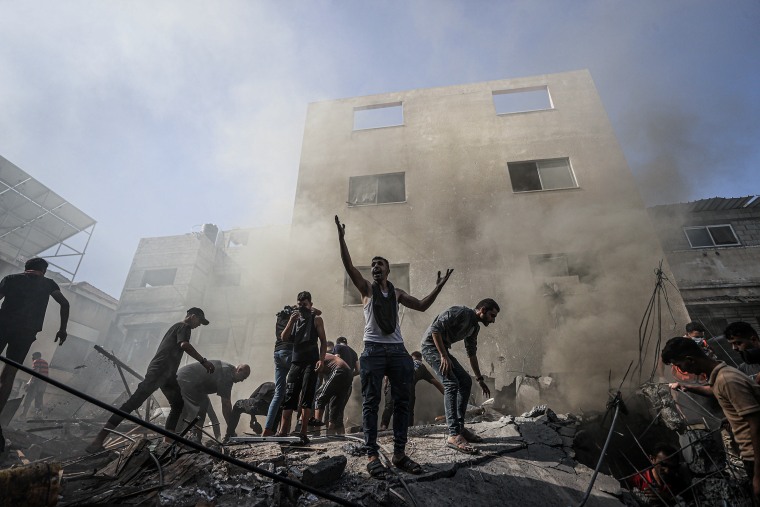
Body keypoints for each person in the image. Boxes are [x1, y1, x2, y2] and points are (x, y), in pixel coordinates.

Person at [335, 215, 453, 478]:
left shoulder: (397, 293)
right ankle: (372, 454)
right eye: (373, 265)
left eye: (380, 264)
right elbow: (349, 265)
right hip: (374, 351)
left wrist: (438, 287)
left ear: (388, 270)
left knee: (403, 401)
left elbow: (422, 305)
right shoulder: (365, 288)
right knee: (371, 402)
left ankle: (399, 453)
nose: (375, 267)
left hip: (398, 351)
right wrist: (342, 239)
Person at [86, 308, 214, 453]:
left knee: (177, 404)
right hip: (159, 371)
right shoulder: (184, 327)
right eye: (199, 321)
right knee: (133, 403)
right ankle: (98, 440)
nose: (198, 325)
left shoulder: (177, 327)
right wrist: (203, 361)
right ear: (192, 316)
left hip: (167, 375)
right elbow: (184, 345)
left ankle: (168, 441)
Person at [662, 337, 760, 503]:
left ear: (690, 360)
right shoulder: (720, 376)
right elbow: (717, 391)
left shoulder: (727, 380)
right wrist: (689, 387)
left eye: (679, 365)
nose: (680, 369)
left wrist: (758, 474)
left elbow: (757, 424)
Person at [0, 257, 69, 452]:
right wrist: (62, 329)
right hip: (25, 332)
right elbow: (64, 304)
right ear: (44, 271)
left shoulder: (11, 279)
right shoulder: (48, 284)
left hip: (2, 325)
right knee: (9, 375)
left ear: (26, 268)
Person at [420, 300, 498, 454]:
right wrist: (443, 355)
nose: (493, 320)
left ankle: (460, 428)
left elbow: (472, 353)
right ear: (482, 310)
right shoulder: (460, 312)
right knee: (451, 383)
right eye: (492, 315)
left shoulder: (474, 327)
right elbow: (435, 329)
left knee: (465, 381)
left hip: (443, 350)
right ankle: (454, 434)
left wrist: (480, 379)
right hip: (430, 347)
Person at [276, 291, 327, 445]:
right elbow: (283, 338)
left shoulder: (316, 319)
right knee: (289, 395)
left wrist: (321, 360)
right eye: (299, 304)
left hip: (311, 361)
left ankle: (303, 431)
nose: (302, 307)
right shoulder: (295, 319)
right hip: (296, 361)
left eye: (305, 304)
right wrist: (291, 321)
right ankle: (283, 431)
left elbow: (323, 341)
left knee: (307, 396)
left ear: (310, 304)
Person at [176, 360, 250, 442]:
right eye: (243, 377)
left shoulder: (228, 371)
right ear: (239, 370)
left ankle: (188, 437)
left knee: (201, 406)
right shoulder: (227, 375)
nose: (242, 380)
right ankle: (191, 439)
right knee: (197, 410)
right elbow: (226, 405)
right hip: (187, 379)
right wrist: (231, 430)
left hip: (192, 382)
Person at [381, 351, 444, 430]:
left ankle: (383, 427)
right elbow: (435, 382)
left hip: (394, 382)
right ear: (420, 359)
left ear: (411, 357)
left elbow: (388, 368)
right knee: (408, 409)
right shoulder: (421, 366)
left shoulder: (402, 360)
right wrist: (447, 394)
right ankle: (408, 429)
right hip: (408, 384)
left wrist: (385, 382)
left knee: (389, 406)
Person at [313, 352, 353, 434]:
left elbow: (319, 375)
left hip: (339, 370)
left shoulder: (316, 357)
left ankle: (316, 430)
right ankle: (331, 431)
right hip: (348, 374)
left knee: (319, 397)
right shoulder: (328, 356)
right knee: (336, 403)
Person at [20, 351, 49, 418]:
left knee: (28, 398)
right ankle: (38, 416)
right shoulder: (45, 362)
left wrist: (29, 383)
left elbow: (35, 373)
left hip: (37, 382)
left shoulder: (36, 361)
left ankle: (23, 415)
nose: (32, 358)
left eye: (33, 356)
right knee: (39, 400)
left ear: (36, 356)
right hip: (44, 384)